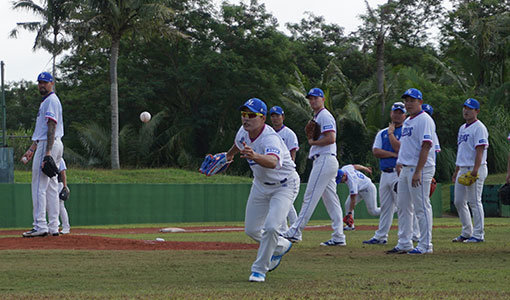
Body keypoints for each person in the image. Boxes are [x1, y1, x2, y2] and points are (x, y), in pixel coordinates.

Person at [225, 98, 299, 283]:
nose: (246, 119)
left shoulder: (270, 137)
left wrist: (255, 156)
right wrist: (228, 156)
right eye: (243, 114)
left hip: (284, 185)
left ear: (262, 118)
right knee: (251, 230)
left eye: (251, 115)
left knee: (272, 227)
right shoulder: (243, 132)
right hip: (260, 185)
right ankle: (282, 246)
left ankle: (259, 270)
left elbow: (273, 161)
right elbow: (238, 144)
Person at [284, 88, 346, 246]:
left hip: (325, 159)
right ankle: (339, 236)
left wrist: (313, 143)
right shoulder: (318, 116)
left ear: (323, 99)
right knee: (332, 201)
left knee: (310, 196)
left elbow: (331, 138)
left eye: (315, 98)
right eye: (310, 99)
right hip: (327, 160)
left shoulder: (324, 115)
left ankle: (295, 231)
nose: (313, 101)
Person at [386, 88, 437, 255]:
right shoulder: (408, 121)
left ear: (420, 102)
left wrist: (418, 171)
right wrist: (399, 162)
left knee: (421, 207)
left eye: (412, 100)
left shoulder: (425, 120)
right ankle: (404, 242)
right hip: (406, 167)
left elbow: (426, 146)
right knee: (403, 206)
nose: (408, 103)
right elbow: (406, 145)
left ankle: (425, 245)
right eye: (406, 100)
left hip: (419, 168)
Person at [21, 72, 64, 237]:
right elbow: (42, 129)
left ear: (52, 83)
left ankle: (40, 226)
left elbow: (51, 125)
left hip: (49, 144)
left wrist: (47, 152)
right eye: (40, 82)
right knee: (52, 186)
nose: (42, 85)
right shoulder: (47, 101)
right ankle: (53, 227)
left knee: (39, 186)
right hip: (53, 144)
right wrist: (32, 148)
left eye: (45, 82)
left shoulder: (51, 100)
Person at [363, 102, 407, 244]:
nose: (397, 115)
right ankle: (381, 236)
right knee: (386, 207)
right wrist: (393, 155)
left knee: (403, 206)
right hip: (385, 173)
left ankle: (408, 236)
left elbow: (400, 149)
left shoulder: (406, 130)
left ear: (405, 115)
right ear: (391, 113)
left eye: (400, 112)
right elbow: (376, 151)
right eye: (395, 112)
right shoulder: (381, 132)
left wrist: (391, 133)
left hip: (399, 172)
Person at [451, 98, 489, 243]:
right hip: (462, 167)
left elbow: (479, 150)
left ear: (477, 111)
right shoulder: (462, 128)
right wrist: (456, 170)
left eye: (470, 108)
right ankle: (467, 231)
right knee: (459, 201)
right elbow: (461, 151)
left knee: (474, 201)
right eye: (465, 108)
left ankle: (478, 234)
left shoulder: (479, 127)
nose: (466, 111)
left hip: (476, 168)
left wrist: (475, 170)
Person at [269, 106, 299, 233]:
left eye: (278, 115)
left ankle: (291, 230)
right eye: (273, 116)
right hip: (273, 174)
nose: (275, 118)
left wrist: (288, 171)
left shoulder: (288, 133)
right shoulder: (268, 132)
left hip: (286, 173)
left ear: (283, 117)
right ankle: (290, 231)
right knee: (284, 204)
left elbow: (293, 155)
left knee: (284, 204)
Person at [337, 164, 380, 232]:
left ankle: (395, 208)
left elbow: (353, 200)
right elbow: (356, 166)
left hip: (368, 188)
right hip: (359, 189)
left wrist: (350, 213)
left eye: (341, 179)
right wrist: (365, 168)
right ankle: (350, 226)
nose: (341, 181)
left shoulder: (352, 182)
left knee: (374, 211)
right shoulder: (345, 168)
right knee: (347, 205)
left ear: (344, 175)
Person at [58, 159, 71, 235]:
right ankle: (54, 226)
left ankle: (66, 227)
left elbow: (63, 173)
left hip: (59, 184)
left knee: (60, 206)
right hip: (50, 184)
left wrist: (65, 186)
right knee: (50, 206)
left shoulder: (60, 159)